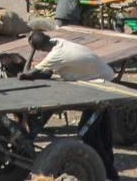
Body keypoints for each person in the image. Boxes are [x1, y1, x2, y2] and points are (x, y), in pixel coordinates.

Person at [21, 30, 119, 179]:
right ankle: (110, 173)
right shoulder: (59, 42)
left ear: (39, 48)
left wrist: (31, 50)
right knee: (103, 132)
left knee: (88, 134)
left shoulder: (55, 55)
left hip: (101, 87)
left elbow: (26, 73)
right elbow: (47, 72)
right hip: (106, 77)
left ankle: (109, 173)